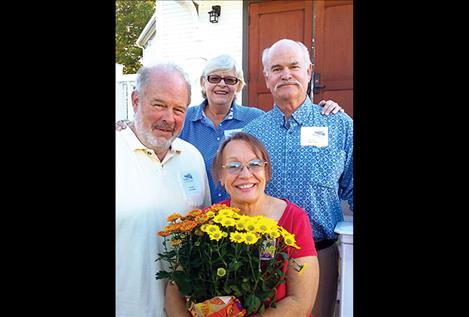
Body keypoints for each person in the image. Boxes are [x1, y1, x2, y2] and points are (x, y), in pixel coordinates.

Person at [116, 54, 344, 204]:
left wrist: (323, 109)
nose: (222, 84)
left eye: (230, 80)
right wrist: (129, 125)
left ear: (239, 86)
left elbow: (285, 130)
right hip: (197, 217)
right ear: (203, 83)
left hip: (242, 220)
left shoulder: (255, 121)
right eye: (214, 78)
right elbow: (154, 132)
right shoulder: (182, 118)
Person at [242, 39, 353, 317]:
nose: (286, 74)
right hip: (264, 250)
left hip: (319, 251)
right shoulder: (253, 133)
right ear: (267, 77)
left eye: (294, 66)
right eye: (277, 68)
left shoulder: (339, 124)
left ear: (308, 71)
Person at [165, 132, 319, 317]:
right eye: (233, 166)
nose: (245, 174)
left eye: (254, 164)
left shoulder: (294, 219)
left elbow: (301, 301)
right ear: (220, 176)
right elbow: (175, 288)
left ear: (267, 172)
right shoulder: (207, 221)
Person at [116, 62, 211, 317]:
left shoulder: (193, 158)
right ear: (136, 100)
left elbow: (203, 236)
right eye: (159, 105)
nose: (169, 118)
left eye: (178, 109)